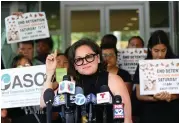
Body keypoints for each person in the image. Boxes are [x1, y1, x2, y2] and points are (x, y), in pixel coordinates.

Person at [41, 38, 132, 123]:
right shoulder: (69, 83)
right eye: (79, 59)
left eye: (89, 57)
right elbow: (44, 104)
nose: (85, 62)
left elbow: (127, 119)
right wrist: (49, 72)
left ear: (98, 58)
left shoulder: (114, 80)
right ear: (75, 65)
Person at [133, 30, 179, 123]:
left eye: (163, 50)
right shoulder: (144, 65)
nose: (160, 55)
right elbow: (139, 94)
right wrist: (154, 98)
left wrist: (171, 97)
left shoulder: (175, 63)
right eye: (156, 51)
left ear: (167, 48)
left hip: (172, 111)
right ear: (150, 49)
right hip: (149, 112)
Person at [6, 54, 46, 123]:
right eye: (19, 66)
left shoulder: (42, 85)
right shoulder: (8, 92)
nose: (24, 68)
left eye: (27, 65)